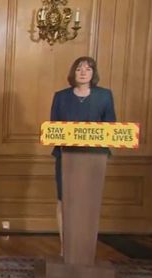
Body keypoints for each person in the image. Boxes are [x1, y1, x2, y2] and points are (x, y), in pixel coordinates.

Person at [50, 56, 116, 255]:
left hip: (95, 159)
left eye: (88, 68)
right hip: (66, 157)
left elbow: (111, 126)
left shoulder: (104, 96)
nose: (83, 72)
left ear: (93, 73)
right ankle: (65, 247)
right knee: (64, 200)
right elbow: (54, 126)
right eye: (79, 68)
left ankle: (86, 249)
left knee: (88, 202)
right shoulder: (61, 96)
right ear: (73, 72)